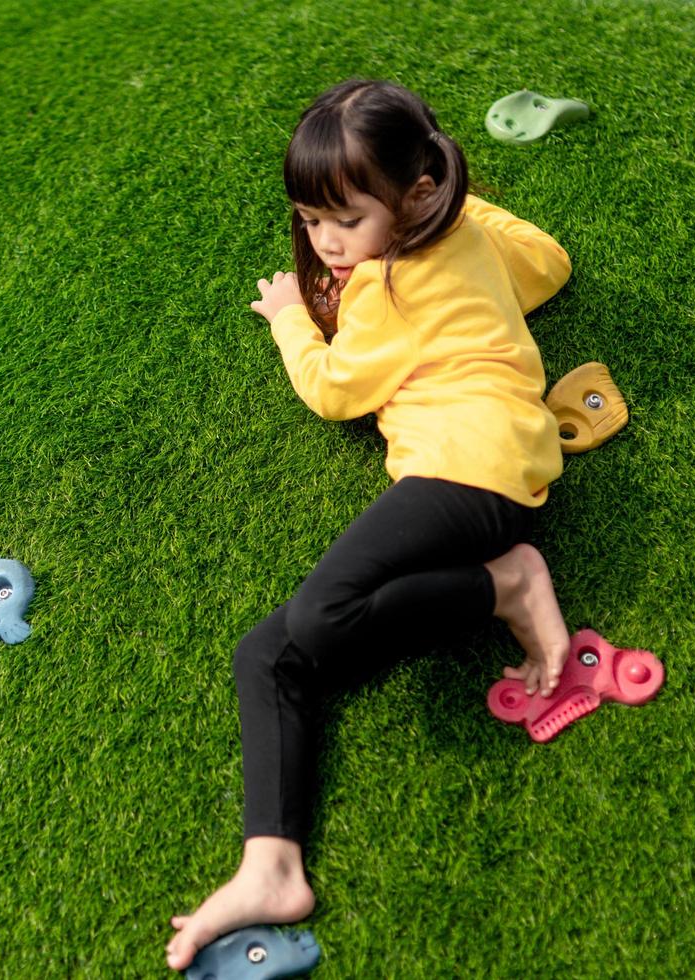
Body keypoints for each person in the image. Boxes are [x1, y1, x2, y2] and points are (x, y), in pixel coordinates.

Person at [165, 78, 575, 971]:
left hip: (471, 471)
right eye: (312, 221)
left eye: (343, 220)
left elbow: (333, 391)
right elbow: (549, 263)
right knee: (266, 654)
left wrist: (286, 320)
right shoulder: (463, 238)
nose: (325, 244)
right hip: (490, 464)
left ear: (416, 195)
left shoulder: (380, 290)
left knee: (321, 620)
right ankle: (270, 863)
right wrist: (447, 209)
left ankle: (507, 582)